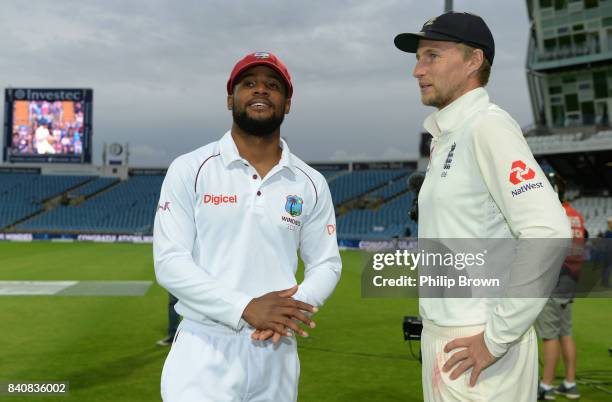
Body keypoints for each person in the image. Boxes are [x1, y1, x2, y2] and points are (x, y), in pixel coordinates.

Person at [394, 12, 571, 401]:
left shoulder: (487, 126)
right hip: (447, 337)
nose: (417, 70)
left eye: (432, 56)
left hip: (478, 344)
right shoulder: (450, 134)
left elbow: (548, 231)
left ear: (474, 61)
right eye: (418, 57)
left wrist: (495, 339)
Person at [153, 51, 341, 402]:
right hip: (204, 348)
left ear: (287, 104)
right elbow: (169, 262)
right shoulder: (191, 168)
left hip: (276, 349)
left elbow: (327, 263)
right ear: (230, 98)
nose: (260, 91)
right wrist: (244, 307)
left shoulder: (310, 182)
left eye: (272, 86)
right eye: (248, 83)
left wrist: (290, 308)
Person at [535, 173, 584, 400]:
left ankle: (547, 386)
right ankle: (570, 383)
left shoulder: (554, 214)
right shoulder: (576, 215)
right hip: (571, 279)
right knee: (566, 333)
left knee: (550, 335)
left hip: (554, 279)